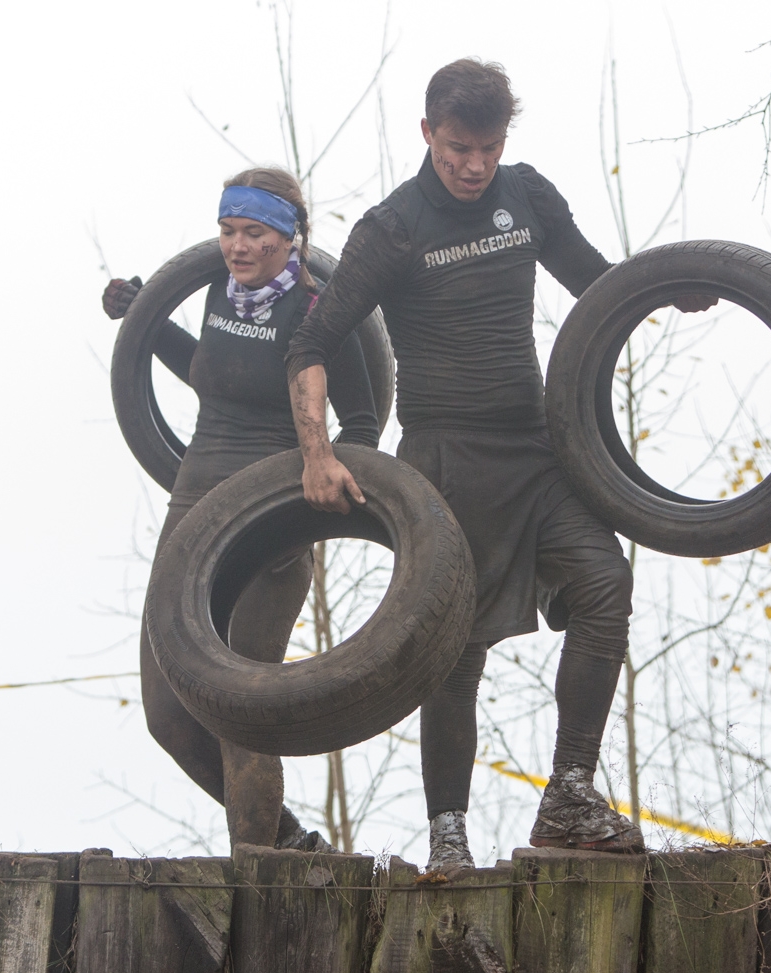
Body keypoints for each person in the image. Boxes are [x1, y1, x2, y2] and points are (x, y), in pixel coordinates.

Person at [284, 59, 715, 872]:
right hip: (444, 464)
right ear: (426, 134)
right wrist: (317, 451)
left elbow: (597, 284)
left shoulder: (527, 197)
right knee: (453, 653)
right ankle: (449, 830)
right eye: (457, 149)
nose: (474, 165)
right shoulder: (393, 227)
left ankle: (570, 793)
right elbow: (312, 341)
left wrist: (667, 286)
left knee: (605, 587)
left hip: (538, 450)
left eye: (488, 147)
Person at [102, 167, 380, 851]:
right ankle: (286, 841)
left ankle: (257, 868)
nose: (238, 246)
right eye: (228, 231)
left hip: (269, 523)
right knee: (168, 714)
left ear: (289, 237)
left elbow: (366, 420)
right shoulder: (219, 296)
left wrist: (316, 504)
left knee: (239, 711)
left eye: (254, 232)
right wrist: (144, 317)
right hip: (193, 507)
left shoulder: (318, 310)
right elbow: (213, 370)